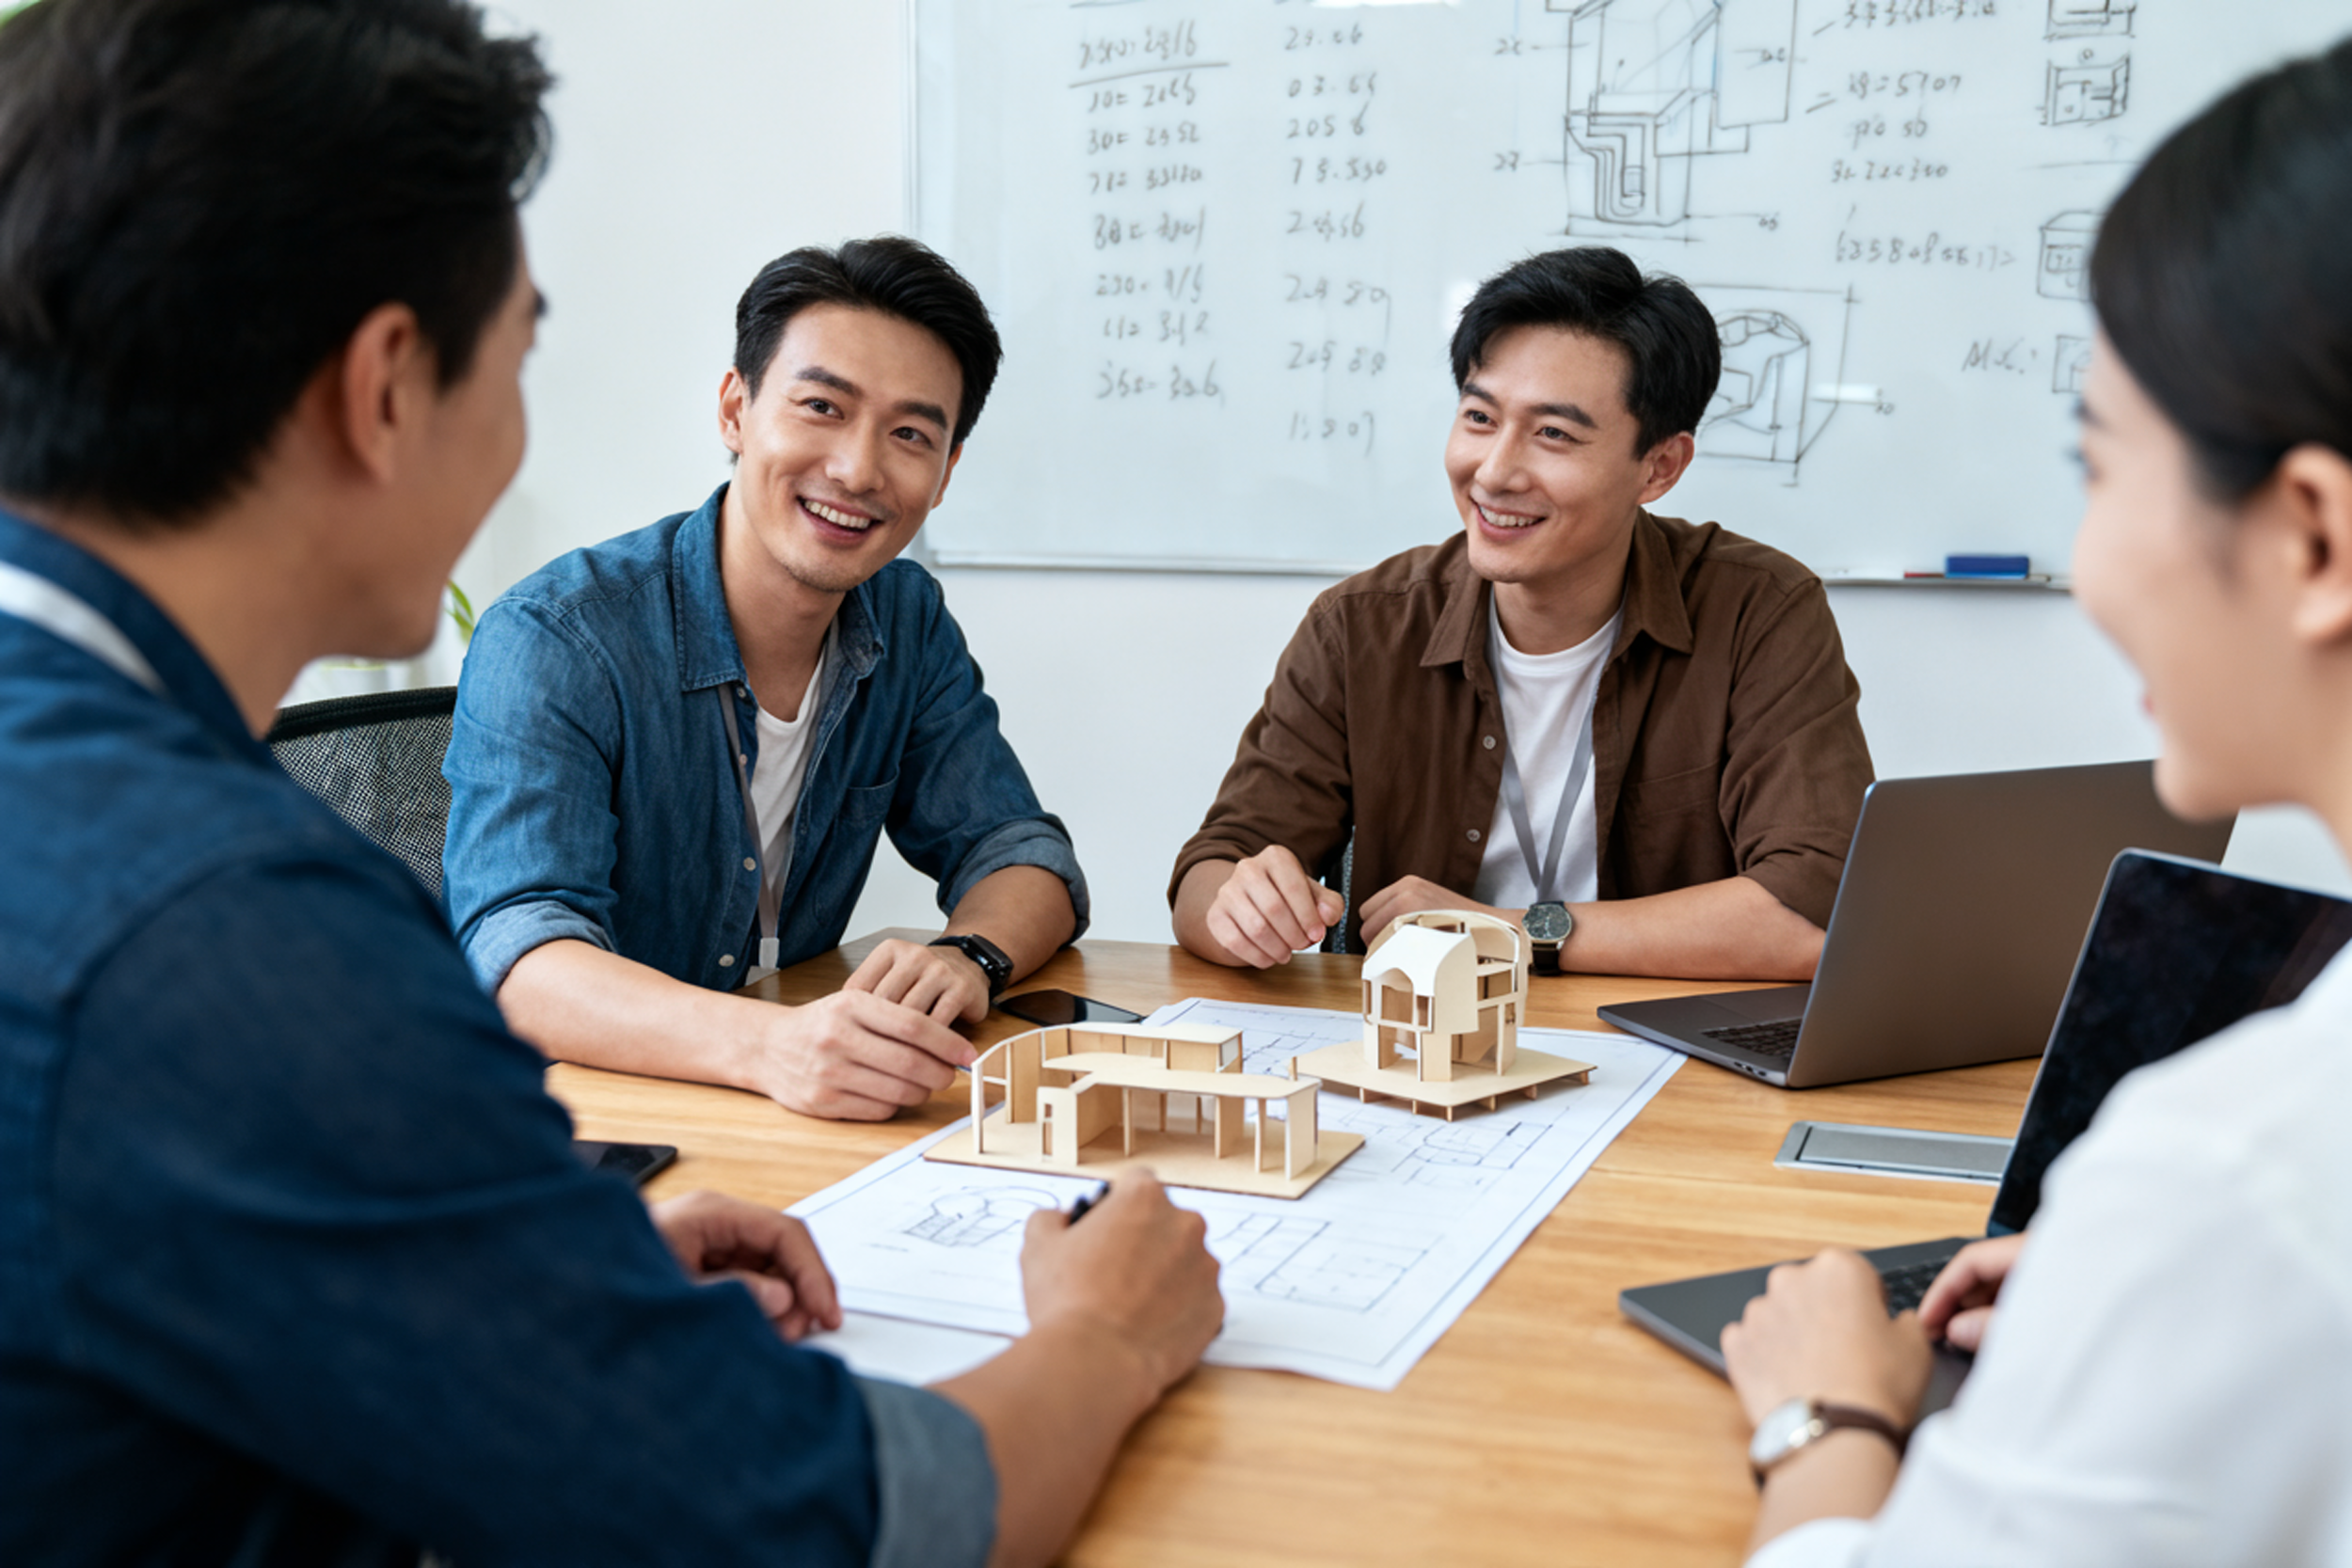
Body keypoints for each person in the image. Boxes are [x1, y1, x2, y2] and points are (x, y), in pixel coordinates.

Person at [0, 3, 1219, 1564]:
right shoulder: (241, 939)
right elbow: (828, 1515)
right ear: (386, 387)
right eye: (520, 353)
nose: (858, 467)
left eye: (911, 433)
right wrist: (1108, 1335)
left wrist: (523, 1257)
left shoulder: (102, 830)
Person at [1720, 37, 2352, 1566]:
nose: (2091, 565)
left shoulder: (2234, 1172)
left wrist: (1822, 1419)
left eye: (2097, 464)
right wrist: (2124, 1312)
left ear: (2313, 540)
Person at [442, 237, 1084, 1122]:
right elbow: (522, 956)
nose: (858, 469)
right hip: (581, 1127)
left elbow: (1022, 853)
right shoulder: (559, 636)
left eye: (909, 434)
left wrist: (965, 956)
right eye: (821, 405)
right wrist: (772, 1046)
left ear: (945, 475)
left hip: (775, 1115)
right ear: (735, 410)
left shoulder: (904, 617)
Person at [1170, 247, 1872, 980]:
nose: (1495, 472)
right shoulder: (1361, 626)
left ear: (1659, 467)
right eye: (1479, 416)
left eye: (1554, 434)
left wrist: (1512, 931)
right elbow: (1207, 875)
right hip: (1417, 1056)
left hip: (1656, 1054)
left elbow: (1814, 915)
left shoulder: (1759, 610)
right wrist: (1242, 906)